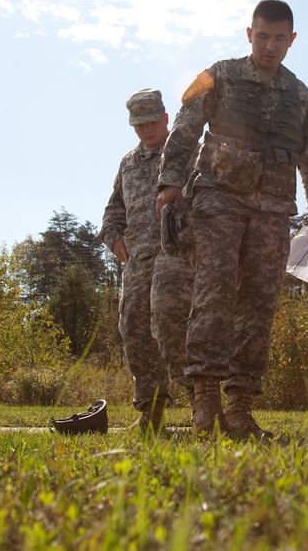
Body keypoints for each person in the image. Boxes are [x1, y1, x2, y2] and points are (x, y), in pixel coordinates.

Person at [155, 0, 308, 439]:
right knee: (213, 296)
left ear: (291, 41)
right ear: (249, 34)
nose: (270, 47)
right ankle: (204, 405)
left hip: (273, 209)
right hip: (219, 200)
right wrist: (169, 182)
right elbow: (185, 128)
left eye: (279, 39)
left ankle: (239, 408)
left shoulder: (300, 95)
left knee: (259, 306)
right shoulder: (222, 75)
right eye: (263, 36)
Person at [99, 89, 192, 433]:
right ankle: (151, 414)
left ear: (166, 118)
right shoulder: (128, 162)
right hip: (136, 260)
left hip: (176, 254)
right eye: (138, 125)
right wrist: (113, 237)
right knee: (134, 330)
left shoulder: (184, 153)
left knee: (171, 325)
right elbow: (114, 209)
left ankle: (203, 405)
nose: (146, 130)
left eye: (152, 122)